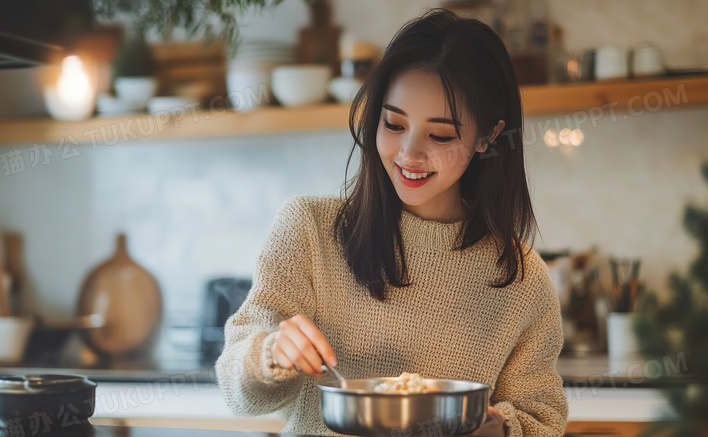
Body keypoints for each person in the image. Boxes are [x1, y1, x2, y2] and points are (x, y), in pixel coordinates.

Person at [215, 8, 568, 437]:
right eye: (393, 123)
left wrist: (496, 429)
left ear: (488, 137)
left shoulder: (522, 279)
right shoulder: (309, 229)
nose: (408, 153)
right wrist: (270, 354)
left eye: (440, 135)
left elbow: (543, 418)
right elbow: (238, 392)